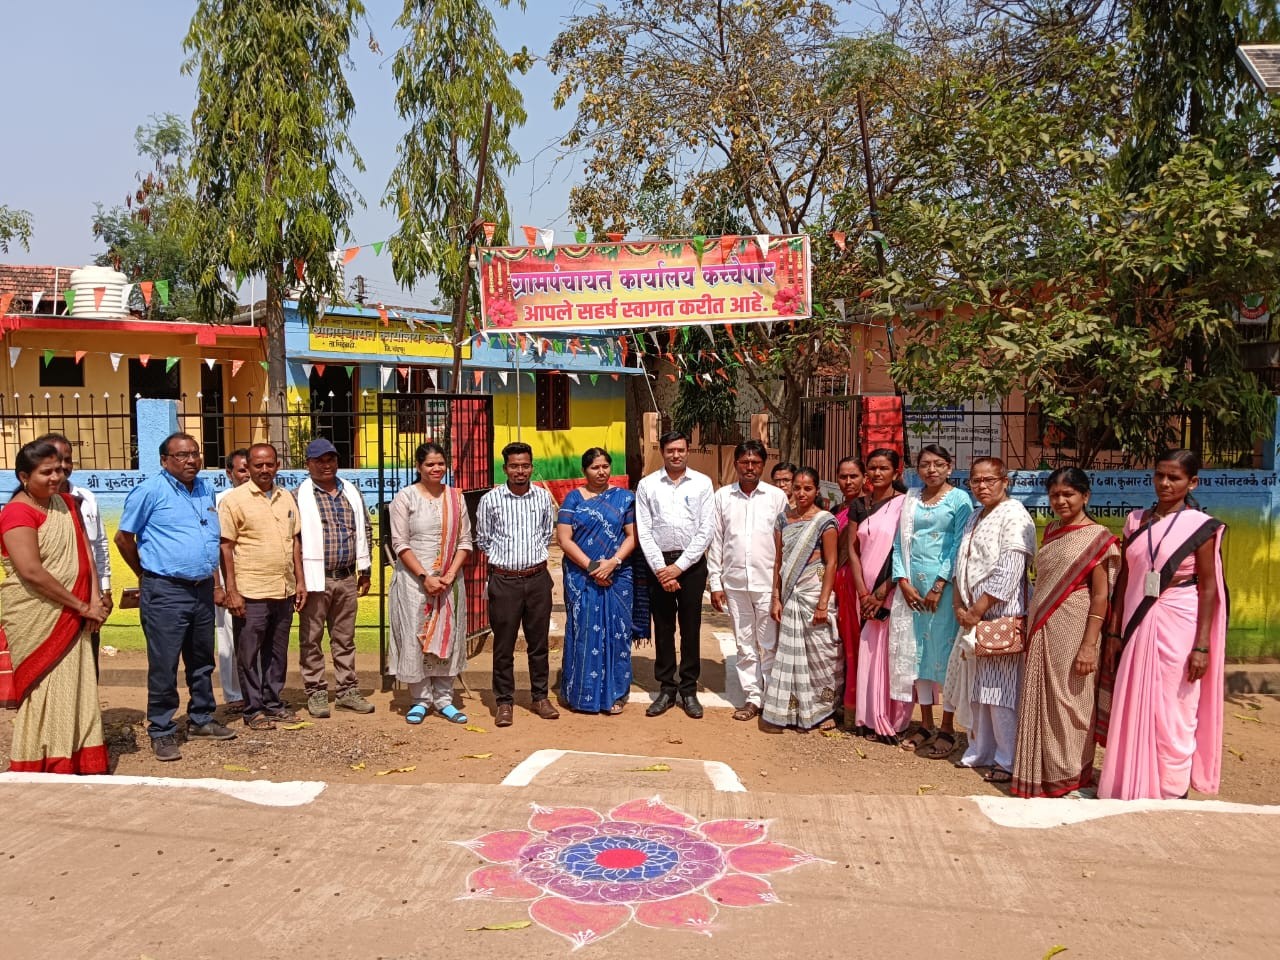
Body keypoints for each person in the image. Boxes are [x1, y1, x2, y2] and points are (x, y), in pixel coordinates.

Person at [1098, 449, 1227, 800]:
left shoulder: (1201, 527)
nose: (1165, 483)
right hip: (1137, 617)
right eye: (1160, 475)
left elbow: (1209, 587)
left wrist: (1202, 646)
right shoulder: (1136, 521)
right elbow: (1125, 579)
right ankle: (1131, 782)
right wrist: (1114, 632)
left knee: (1175, 705)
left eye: (1175, 477)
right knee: (1134, 699)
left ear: (1192, 482)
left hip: (1180, 619)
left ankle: (1171, 787)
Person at [117, 432, 235, 761]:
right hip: (165, 591)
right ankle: (161, 729)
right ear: (164, 460)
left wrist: (215, 583)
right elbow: (124, 538)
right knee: (164, 664)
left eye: (195, 453)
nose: (191, 460)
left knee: (202, 660)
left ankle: (201, 719)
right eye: (181, 455)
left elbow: (209, 536)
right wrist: (144, 574)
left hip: (201, 589)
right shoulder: (150, 491)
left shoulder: (205, 489)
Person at [0, 440, 108, 773]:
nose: (56, 477)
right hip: (38, 614)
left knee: (78, 684)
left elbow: (86, 553)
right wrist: (81, 606)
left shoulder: (67, 504)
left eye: (59, 469)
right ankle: (43, 760)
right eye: (46, 472)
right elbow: (31, 571)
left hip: (77, 610)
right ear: (24, 476)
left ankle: (79, 756)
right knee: (44, 689)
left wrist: (94, 600)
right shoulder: (17, 512)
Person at [1011, 468, 1119, 798]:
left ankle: (1072, 775)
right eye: (1055, 495)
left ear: (1085, 496)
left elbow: (1101, 595)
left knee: (1072, 702)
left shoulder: (1098, 538)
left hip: (1076, 626)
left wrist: (1089, 645)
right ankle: (1042, 773)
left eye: (1068, 494)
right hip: (1044, 626)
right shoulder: (1053, 530)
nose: (1060, 501)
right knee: (1043, 698)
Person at [943, 457, 1037, 784]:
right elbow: (961, 562)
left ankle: (1007, 759)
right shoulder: (975, 515)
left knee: (1001, 691)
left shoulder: (1014, 515)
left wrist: (977, 610)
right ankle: (981, 750)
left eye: (989, 480)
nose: (982, 486)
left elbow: (1008, 573)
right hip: (973, 616)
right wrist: (959, 603)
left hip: (1000, 616)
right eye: (976, 481)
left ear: (1005, 481)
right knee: (979, 690)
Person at [888, 445, 973, 753]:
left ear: (949, 467)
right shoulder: (911, 499)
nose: (932, 470)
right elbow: (900, 543)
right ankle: (925, 723)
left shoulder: (960, 500)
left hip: (944, 592)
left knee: (945, 655)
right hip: (912, 591)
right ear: (917, 469)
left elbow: (959, 545)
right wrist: (902, 581)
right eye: (925, 464)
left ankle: (947, 726)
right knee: (918, 655)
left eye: (938, 464)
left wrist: (939, 585)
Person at [218, 443, 305, 732]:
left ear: (277, 465)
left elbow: (295, 542)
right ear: (249, 467)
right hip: (250, 590)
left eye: (269, 464)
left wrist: (300, 581)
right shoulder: (234, 501)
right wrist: (231, 590)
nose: (264, 469)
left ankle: (273, 703)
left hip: (283, 588)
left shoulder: (286, 497)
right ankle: (253, 709)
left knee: (277, 652)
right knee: (249, 653)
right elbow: (225, 547)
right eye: (258, 465)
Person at [388, 442, 474, 724]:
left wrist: (449, 575)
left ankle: (444, 699)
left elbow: (465, 541)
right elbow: (400, 543)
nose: (436, 468)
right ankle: (420, 700)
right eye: (429, 464)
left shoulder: (455, 498)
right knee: (417, 637)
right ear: (418, 467)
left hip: (449, 580)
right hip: (415, 582)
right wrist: (425, 577)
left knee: (448, 635)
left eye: (440, 463)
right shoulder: (406, 498)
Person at [476, 441, 559, 727]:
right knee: (503, 646)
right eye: (514, 466)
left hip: (537, 579)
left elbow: (547, 533)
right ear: (505, 468)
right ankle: (504, 702)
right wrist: (506, 563)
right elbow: (483, 539)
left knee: (538, 644)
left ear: (531, 467)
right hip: (504, 581)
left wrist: (529, 559)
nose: (520, 471)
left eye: (525, 465)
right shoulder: (491, 500)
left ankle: (540, 697)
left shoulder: (543, 498)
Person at [708, 440, 789, 721]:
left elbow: (784, 542)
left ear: (763, 465)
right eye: (745, 462)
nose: (750, 467)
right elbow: (716, 540)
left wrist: (780, 587)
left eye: (755, 462)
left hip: (767, 583)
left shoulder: (776, 497)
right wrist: (715, 582)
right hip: (734, 583)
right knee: (744, 643)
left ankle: (772, 698)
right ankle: (753, 698)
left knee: (768, 643)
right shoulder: (722, 497)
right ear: (736, 464)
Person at [636, 430, 714, 719]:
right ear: (662, 452)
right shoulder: (647, 485)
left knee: (691, 627)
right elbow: (644, 530)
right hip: (658, 565)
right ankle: (667, 688)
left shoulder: (703, 483)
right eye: (670, 450)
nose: (676, 455)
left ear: (687, 450)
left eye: (680, 450)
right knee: (664, 627)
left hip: (691, 566)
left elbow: (706, 529)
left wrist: (679, 568)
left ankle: (689, 689)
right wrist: (662, 569)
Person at [296, 438, 375, 718]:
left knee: (344, 638)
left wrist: (365, 570)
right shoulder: (299, 496)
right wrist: (299, 580)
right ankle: (316, 691)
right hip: (315, 579)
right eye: (319, 460)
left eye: (330, 459)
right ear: (308, 464)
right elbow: (294, 540)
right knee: (311, 638)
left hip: (346, 577)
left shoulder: (350, 492)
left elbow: (365, 529)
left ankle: (347, 691)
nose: (326, 465)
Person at [556, 447, 638, 714]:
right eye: (595, 467)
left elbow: (632, 536)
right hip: (581, 576)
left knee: (618, 633)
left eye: (605, 466)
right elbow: (564, 539)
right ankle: (580, 693)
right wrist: (592, 567)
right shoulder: (573, 498)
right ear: (585, 470)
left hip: (618, 575)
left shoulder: (624, 498)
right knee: (583, 631)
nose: (601, 472)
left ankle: (616, 693)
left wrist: (612, 563)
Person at [763, 466, 841, 729]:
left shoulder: (825, 521)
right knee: (792, 653)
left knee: (822, 652)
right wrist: (776, 598)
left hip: (814, 594)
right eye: (797, 488)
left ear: (817, 490)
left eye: (808, 488)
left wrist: (823, 603)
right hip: (790, 595)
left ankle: (823, 710)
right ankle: (793, 711)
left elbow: (831, 563)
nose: (801, 493)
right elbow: (779, 561)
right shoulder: (783, 520)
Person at [36, 433, 112, 676]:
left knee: (87, 664)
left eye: (67, 460)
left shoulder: (85, 498)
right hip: (49, 599)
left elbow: (99, 546)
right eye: (55, 460)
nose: (62, 466)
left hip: (88, 596)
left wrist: (104, 590)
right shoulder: (30, 505)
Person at [850, 449, 912, 742]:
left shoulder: (905, 505)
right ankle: (867, 716)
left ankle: (892, 718)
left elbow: (905, 549)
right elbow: (853, 550)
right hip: (864, 590)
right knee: (869, 649)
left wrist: (882, 590)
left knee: (892, 652)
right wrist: (863, 593)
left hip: (892, 590)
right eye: (872, 468)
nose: (876, 473)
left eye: (883, 468)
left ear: (896, 472)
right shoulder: (859, 505)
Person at [214, 450, 250, 710]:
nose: (247, 474)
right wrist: (220, 585)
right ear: (229, 473)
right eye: (242, 470)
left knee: (258, 636)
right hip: (228, 578)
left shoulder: (268, 498)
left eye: (250, 468)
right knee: (229, 636)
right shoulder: (220, 501)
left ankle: (259, 690)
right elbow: (215, 545)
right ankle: (234, 693)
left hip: (258, 578)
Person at [832, 456, 867, 722]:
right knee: (840, 644)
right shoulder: (836, 510)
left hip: (860, 584)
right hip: (837, 583)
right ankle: (841, 701)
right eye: (843, 477)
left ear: (863, 477)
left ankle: (859, 707)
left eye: (853, 476)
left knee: (859, 644)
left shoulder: (870, 508)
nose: (848, 481)